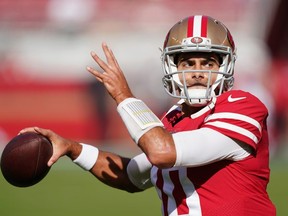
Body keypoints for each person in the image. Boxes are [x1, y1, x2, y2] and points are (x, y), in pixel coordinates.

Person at [20, 15, 276, 215]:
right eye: (188, 63)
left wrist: (124, 96)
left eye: (208, 63)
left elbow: (162, 152)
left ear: (226, 66)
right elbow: (132, 174)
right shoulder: (174, 118)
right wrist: (73, 149)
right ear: (172, 67)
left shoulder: (241, 105)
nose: (198, 72)